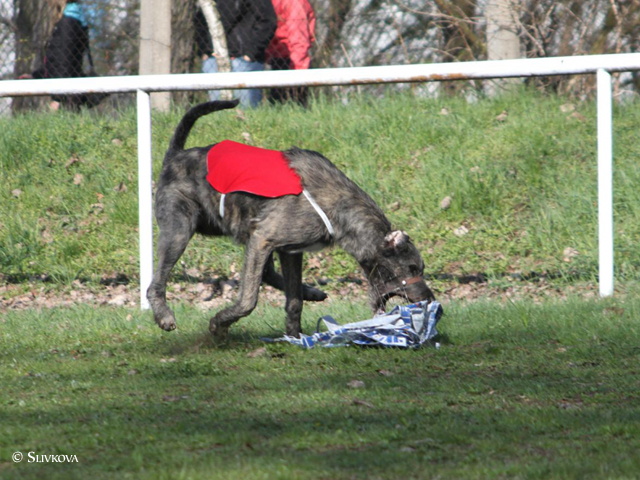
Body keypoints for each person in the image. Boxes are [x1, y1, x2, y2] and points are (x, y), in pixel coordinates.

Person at [21, 0, 104, 111]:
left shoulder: (68, 23)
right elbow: (56, 61)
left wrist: (59, 98)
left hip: (66, 96)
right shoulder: (72, 20)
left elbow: (65, 61)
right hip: (67, 92)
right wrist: (37, 75)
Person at [195, 0, 277, 108]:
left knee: (246, 110)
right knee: (216, 112)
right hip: (214, 60)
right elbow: (200, 22)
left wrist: (251, 52)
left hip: (243, 60)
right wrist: (205, 50)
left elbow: (268, 21)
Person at [265, 0, 316, 106]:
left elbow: (299, 38)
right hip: (278, 59)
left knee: (294, 105)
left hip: (293, 63)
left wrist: (298, 70)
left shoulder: (293, 2)